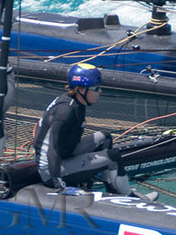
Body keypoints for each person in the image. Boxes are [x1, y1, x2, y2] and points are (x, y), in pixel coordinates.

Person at [31, 63, 139, 196]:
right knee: (112, 157)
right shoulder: (66, 112)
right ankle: (128, 198)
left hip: (66, 153)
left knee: (105, 137)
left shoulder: (77, 101)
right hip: (51, 170)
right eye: (96, 88)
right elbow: (53, 152)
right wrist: (59, 185)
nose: (100, 91)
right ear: (81, 89)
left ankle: (113, 188)